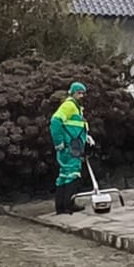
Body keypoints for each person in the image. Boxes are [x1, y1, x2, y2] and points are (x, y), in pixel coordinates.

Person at [48, 82, 93, 215]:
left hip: (71, 146)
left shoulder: (76, 108)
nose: (81, 96)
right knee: (73, 173)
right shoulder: (69, 106)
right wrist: (59, 142)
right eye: (79, 93)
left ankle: (61, 206)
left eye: (83, 93)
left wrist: (86, 136)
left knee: (64, 174)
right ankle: (69, 204)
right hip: (71, 147)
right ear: (72, 93)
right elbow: (55, 121)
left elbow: (75, 126)